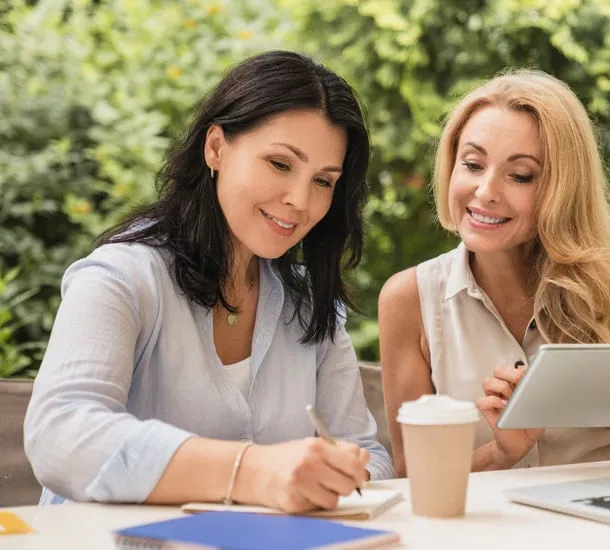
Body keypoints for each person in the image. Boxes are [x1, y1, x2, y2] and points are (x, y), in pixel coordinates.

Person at [24, 50, 393, 512]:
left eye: (323, 181)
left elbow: (368, 455)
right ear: (216, 147)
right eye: (280, 164)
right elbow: (60, 433)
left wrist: (336, 471)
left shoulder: (310, 302)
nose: (300, 200)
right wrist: (251, 471)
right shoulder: (122, 277)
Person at [379, 70, 610, 476]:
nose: (486, 191)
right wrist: (502, 452)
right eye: (472, 164)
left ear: (562, 190)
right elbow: (410, 477)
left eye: (520, 175)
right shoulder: (408, 299)